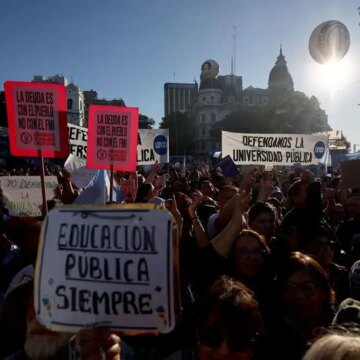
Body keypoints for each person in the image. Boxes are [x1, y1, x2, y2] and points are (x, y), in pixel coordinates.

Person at [268, 252, 335, 360]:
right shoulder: (276, 336)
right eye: (289, 289)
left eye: (307, 288)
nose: (298, 296)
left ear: (323, 291)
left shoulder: (343, 326)